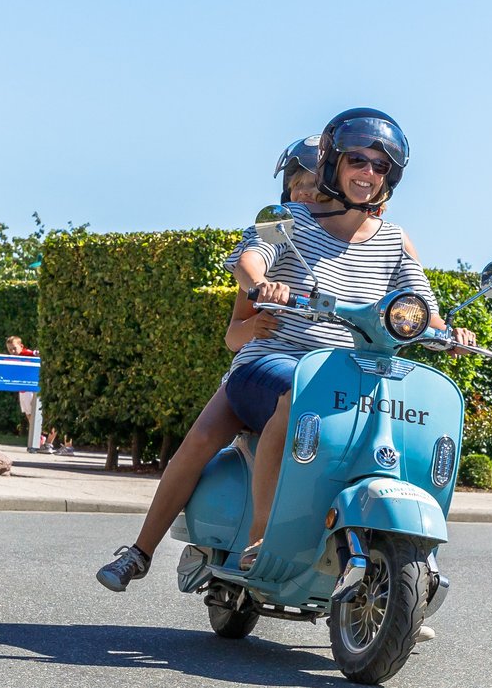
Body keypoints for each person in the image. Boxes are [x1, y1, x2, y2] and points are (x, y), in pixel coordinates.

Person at [222, 108, 472, 570]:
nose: (368, 173)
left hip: (352, 366)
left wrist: (446, 332)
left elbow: (422, 305)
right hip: (277, 358)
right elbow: (249, 259)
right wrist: (263, 284)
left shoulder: (393, 240)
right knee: (296, 395)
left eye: (381, 166)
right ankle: (262, 535)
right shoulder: (293, 218)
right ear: (335, 163)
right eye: (358, 159)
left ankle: (400, 567)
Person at [96, 134, 329, 592]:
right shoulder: (280, 233)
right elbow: (233, 334)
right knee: (198, 442)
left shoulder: (362, 243)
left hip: (328, 375)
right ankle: (140, 551)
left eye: (315, 185)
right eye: (298, 184)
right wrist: (260, 314)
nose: (305, 193)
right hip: (264, 367)